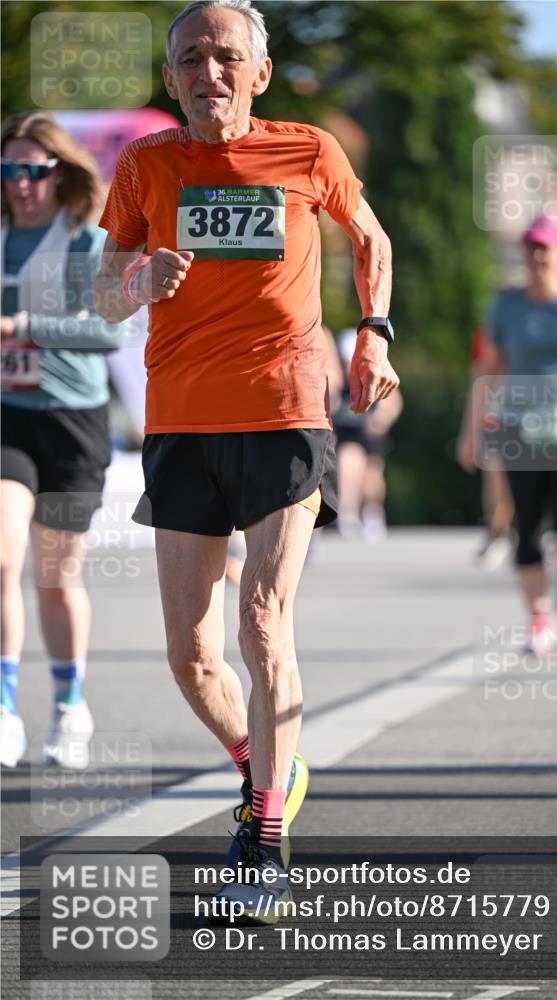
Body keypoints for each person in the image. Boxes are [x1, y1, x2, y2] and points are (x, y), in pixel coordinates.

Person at [93, 0, 398, 920]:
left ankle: (263, 840)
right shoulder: (146, 164)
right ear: (171, 77)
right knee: (190, 655)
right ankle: (269, 765)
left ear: (258, 74)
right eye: (191, 57)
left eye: (227, 56)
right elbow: (102, 293)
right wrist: (138, 279)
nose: (209, 72)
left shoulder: (306, 151)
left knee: (262, 622)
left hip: (285, 412)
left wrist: (373, 337)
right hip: (182, 425)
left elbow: (370, 237)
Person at [1, 111, 126, 768]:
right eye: (10, 170)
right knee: (1, 557)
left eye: (34, 170)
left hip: (73, 421)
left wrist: (24, 325)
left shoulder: (83, 241)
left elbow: (109, 334)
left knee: (56, 575)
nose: (21, 183)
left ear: (59, 172)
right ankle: (4, 706)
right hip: (6, 418)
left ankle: (70, 704)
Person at [458, 213, 557, 654]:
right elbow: (487, 369)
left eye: (546, 247)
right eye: (531, 247)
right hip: (519, 426)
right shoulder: (506, 304)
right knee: (527, 527)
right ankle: (538, 617)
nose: (537, 256)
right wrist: (470, 432)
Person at [333, 328, 403, 541]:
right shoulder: (336, 377)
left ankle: (372, 512)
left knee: (372, 476)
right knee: (347, 466)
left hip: (370, 432)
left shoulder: (374, 372)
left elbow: (393, 402)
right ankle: (347, 513)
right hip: (347, 432)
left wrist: (381, 418)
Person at [458, 325, 514, 569]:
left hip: (536, 409)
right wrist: (469, 432)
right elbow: (478, 377)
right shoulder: (489, 328)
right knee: (495, 472)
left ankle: (532, 532)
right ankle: (497, 532)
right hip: (497, 409)